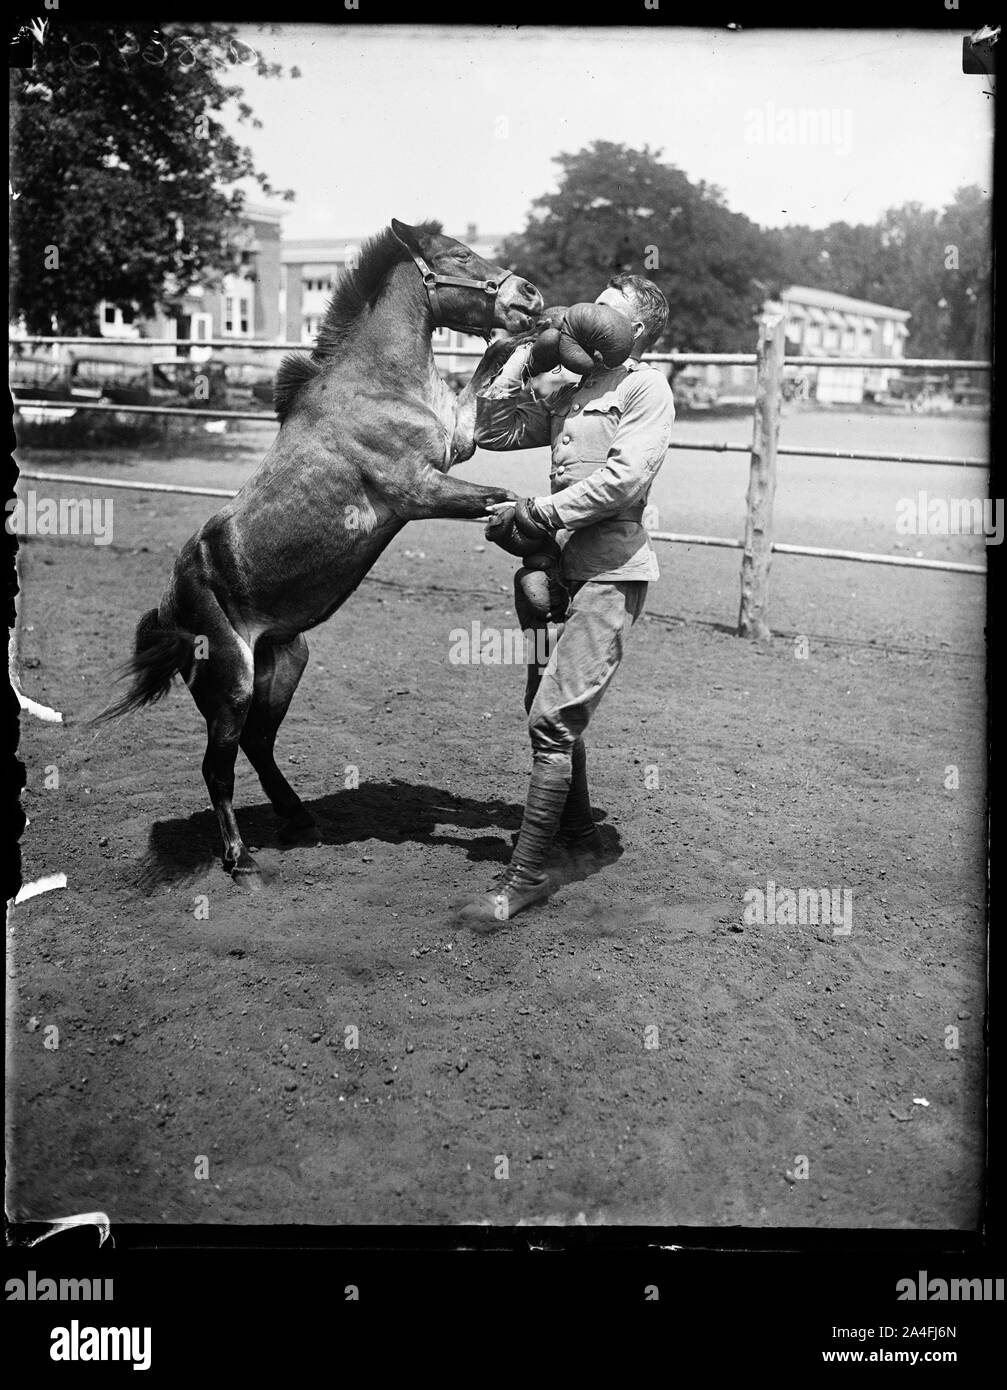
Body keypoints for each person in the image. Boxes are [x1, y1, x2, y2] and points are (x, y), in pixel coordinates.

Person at [459, 274, 675, 926]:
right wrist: (531, 351)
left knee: (551, 721)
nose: (585, 317)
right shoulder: (573, 389)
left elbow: (624, 478)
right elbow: (493, 428)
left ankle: (523, 879)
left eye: (604, 312)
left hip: (609, 575)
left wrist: (539, 512)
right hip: (549, 572)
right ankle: (578, 839)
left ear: (634, 329)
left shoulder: (645, 388)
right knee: (543, 705)